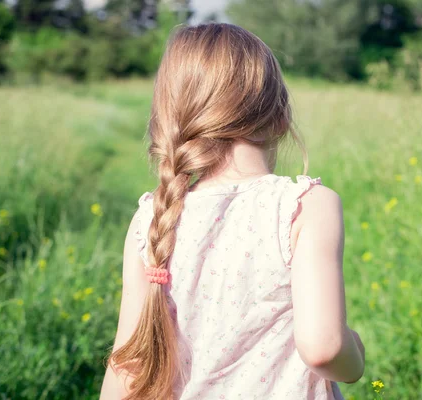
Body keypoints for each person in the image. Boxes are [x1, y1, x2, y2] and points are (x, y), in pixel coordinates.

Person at [99, 22, 365, 400]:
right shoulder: (304, 206)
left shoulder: (152, 219)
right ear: (280, 116)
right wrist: (355, 353)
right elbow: (324, 348)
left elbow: (128, 364)